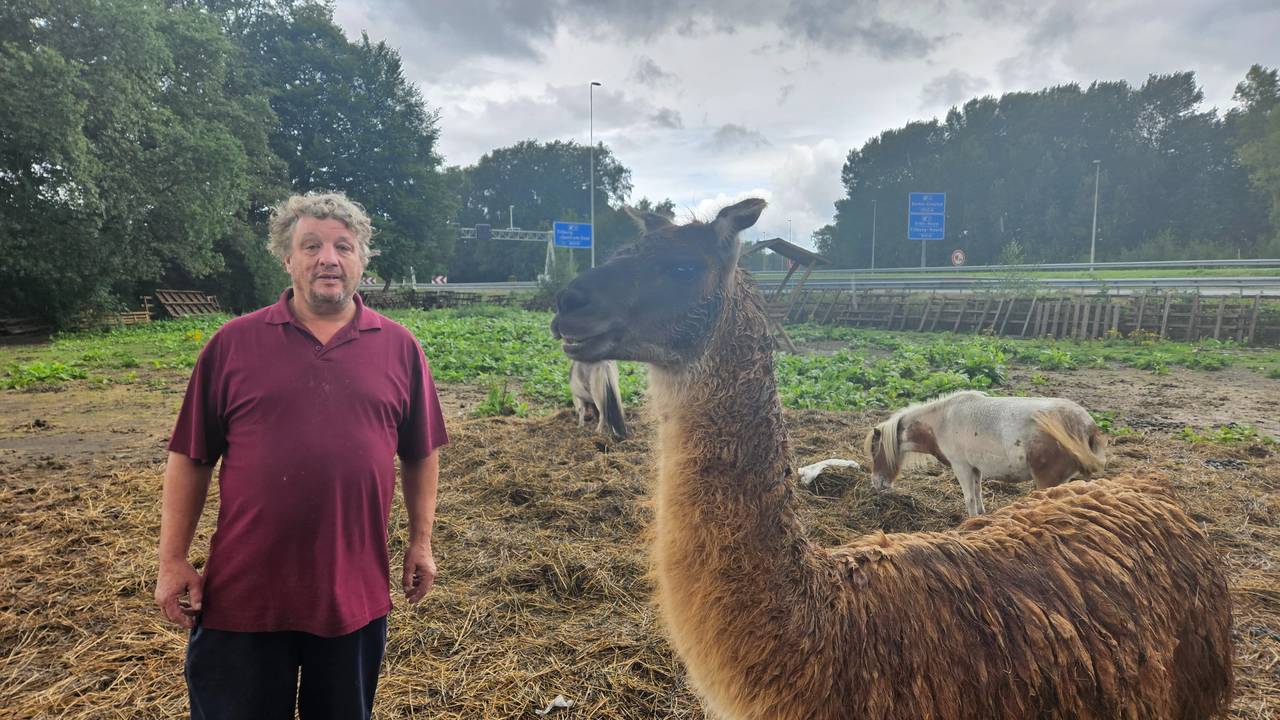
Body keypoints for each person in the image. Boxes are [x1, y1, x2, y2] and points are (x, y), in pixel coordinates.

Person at [154, 192, 448, 719]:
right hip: (243, 596)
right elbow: (190, 458)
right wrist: (173, 560)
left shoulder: (400, 348)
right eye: (310, 245)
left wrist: (421, 543)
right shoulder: (232, 344)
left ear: (361, 259)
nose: (328, 259)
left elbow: (421, 452)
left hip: (352, 596)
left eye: (343, 246)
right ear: (286, 258)